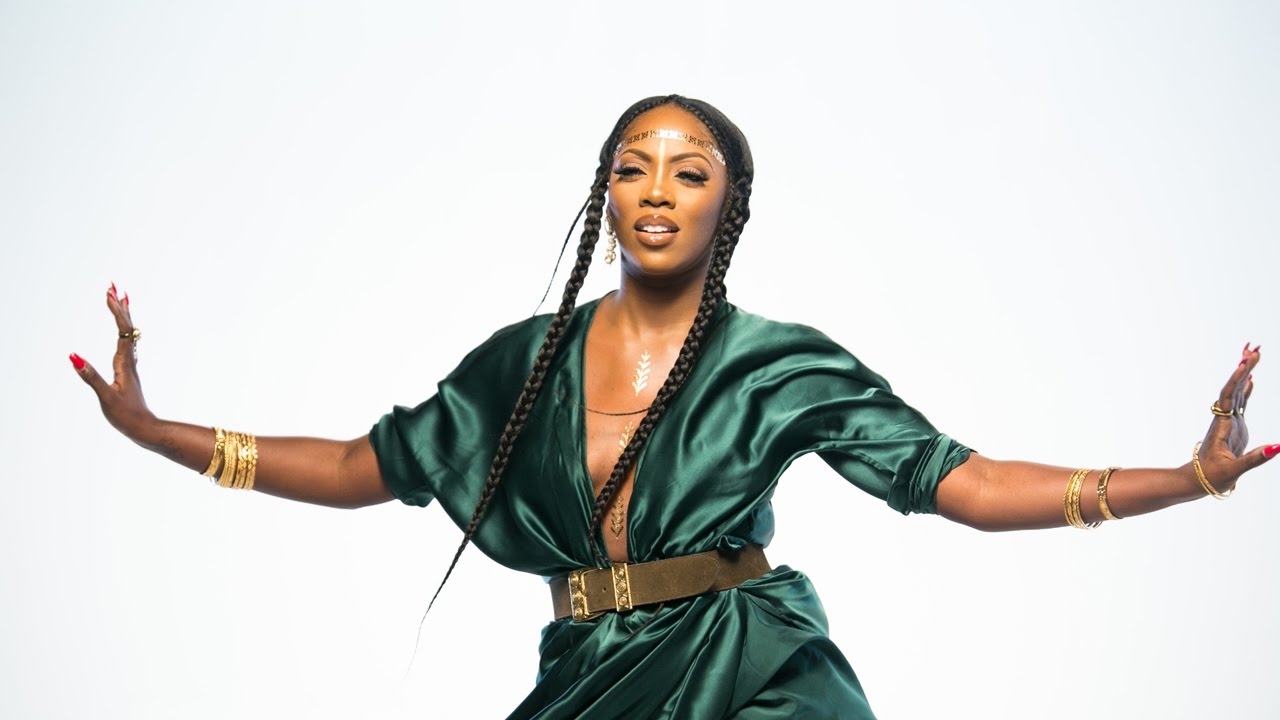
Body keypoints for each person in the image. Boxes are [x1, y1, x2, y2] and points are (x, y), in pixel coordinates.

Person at [71, 94, 1275, 719]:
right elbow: (357, 466)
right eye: (631, 168)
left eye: (687, 173)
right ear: (604, 194)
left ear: (725, 207)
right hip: (589, 674)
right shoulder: (520, 366)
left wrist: (1185, 480)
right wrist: (159, 432)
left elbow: (961, 482)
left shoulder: (777, 364)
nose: (655, 191)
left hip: (751, 669)